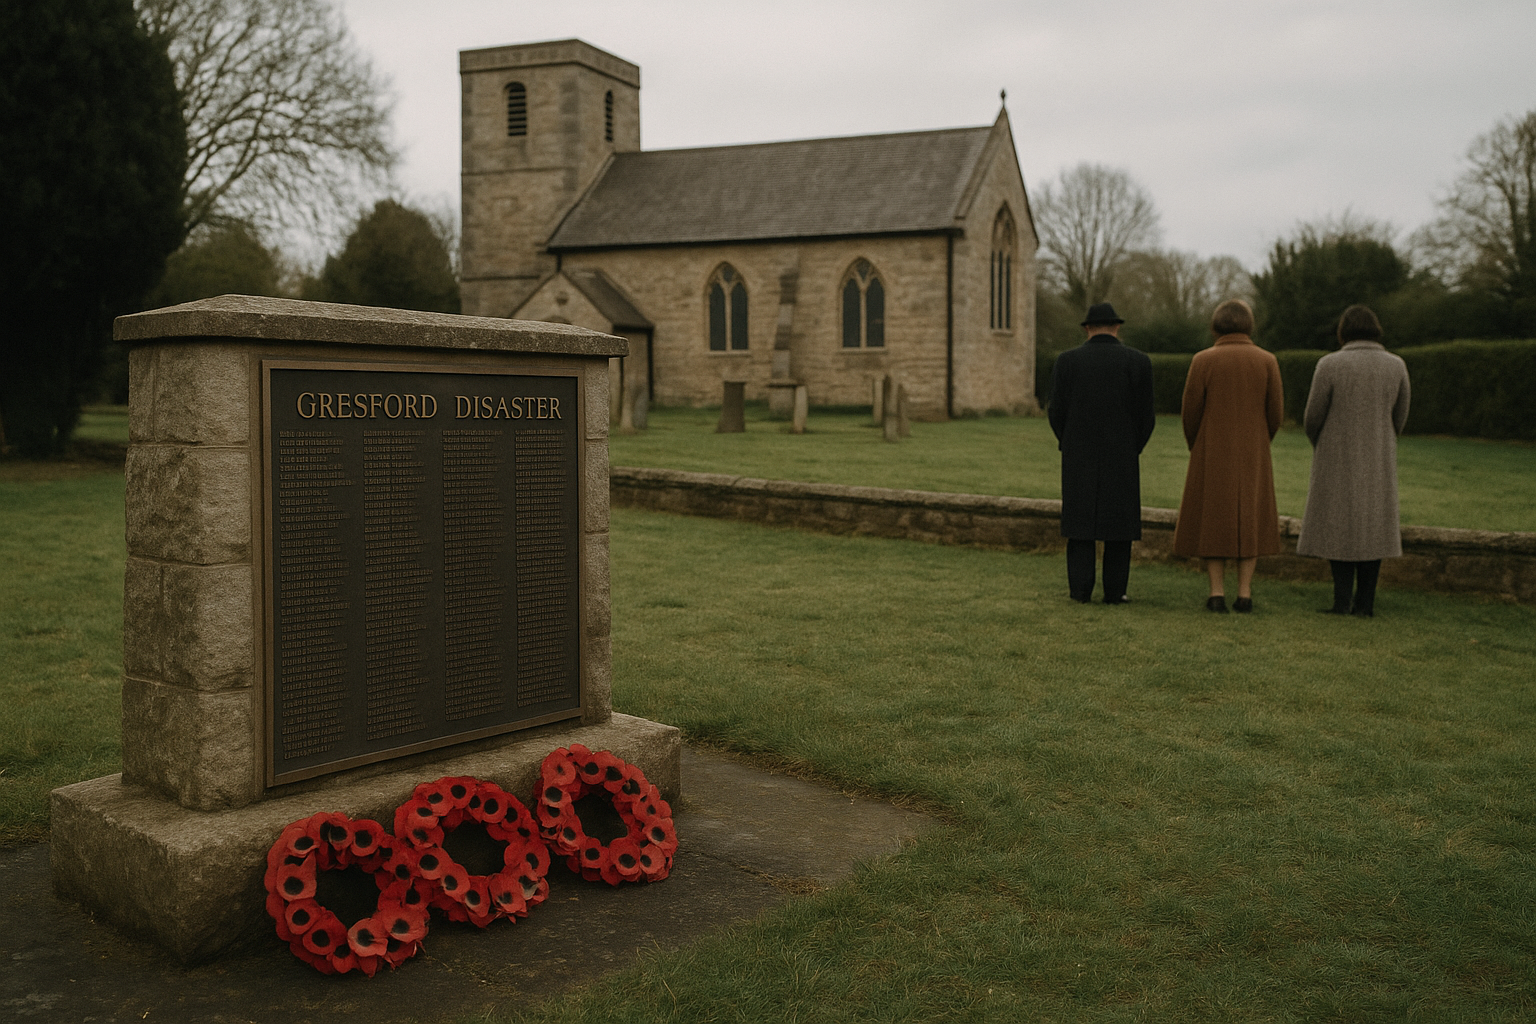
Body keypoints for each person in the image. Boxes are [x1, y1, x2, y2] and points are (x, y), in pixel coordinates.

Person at [1296, 305, 1411, 616]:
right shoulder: (1397, 365)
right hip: (1379, 456)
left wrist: (1323, 443)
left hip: (1336, 456)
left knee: (1338, 526)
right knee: (1374, 526)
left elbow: (1312, 416)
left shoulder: (1329, 364)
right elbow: (1400, 415)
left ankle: (1341, 601)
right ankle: (1366, 604)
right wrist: (1382, 439)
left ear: (1343, 331)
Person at [1172, 299, 1283, 613]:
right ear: (1249, 326)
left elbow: (1190, 411)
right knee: (1251, 519)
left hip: (1211, 450)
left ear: (1215, 326)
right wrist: (1260, 441)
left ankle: (1216, 594)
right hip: (1253, 451)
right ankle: (1245, 594)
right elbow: (1275, 413)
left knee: (1213, 519)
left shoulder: (1203, 360)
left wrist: (1199, 445)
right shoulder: (1267, 361)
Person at [1048, 302, 1156, 604]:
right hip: (1122, 454)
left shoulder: (1067, 362)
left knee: (1080, 524)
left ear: (1087, 328)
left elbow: (1056, 411)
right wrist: (1132, 447)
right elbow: (1146, 417)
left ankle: (1079, 591)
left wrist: (1068, 442)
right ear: (1117, 327)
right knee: (1119, 526)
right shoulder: (1138, 362)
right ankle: (1115, 591)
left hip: (1078, 454)